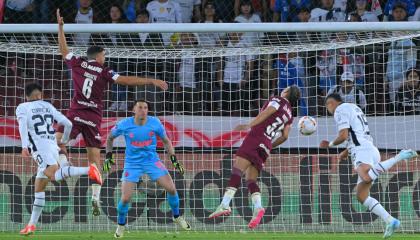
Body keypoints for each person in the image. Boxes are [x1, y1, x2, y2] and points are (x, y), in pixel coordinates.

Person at [55, 9, 168, 217]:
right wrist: (151, 80)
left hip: (75, 112)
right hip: (93, 118)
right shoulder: (105, 71)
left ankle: (64, 165)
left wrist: (61, 28)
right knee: (94, 161)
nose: (105, 58)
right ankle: (95, 197)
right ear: (98, 56)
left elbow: (63, 51)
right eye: (104, 55)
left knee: (57, 140)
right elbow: (125, 80)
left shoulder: (77, 62)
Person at [320, 93, 417, 239]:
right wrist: (346, 151)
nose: (328, 109)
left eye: (327, 105)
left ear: (331, 103)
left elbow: (344, 135)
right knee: (361, 195)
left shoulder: (340, 110)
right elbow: (357, 134)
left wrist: (330, 145)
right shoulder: (355, 108)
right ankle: (391, 221)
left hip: (362, 151)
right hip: (369, 149)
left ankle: (400, 156)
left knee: (365, 177)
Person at [209, 86, 301, 229]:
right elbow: (285, 136)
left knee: (237, 171)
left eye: (286, 88)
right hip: (265, 145)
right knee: (251, 179)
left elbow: (268, 112)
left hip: (256, 136)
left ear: (287, 92)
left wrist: (248, 125)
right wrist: (269, 145)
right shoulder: (290, 115)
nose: (283, 89)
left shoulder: (278, 99)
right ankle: (258, 207)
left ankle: (225, 204)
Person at [17, 82, 102, 235]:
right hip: (52, 145)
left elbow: (23, 126)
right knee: (39, 188)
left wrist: (24, 146)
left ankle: (89, 169)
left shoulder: (22, 107)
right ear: (40, 95)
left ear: (26, 96)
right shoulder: (48, 106)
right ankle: (31, 225)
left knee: (55, 176)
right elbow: (67, 123)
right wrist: (64, 140)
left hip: (39, 147)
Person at [104, 100, 191, 238]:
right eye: (140, 107)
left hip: (152, 161)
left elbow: (166, 141)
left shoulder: (155, 123)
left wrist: (174, 159)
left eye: (145, 108)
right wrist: (108, 156)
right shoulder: (124, 124)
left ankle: (176, 216)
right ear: (133, 109)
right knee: (126, 198)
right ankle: (121, 225)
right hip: (132, 164)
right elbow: (109, 138)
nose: (143, 110)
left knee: (172, 189)